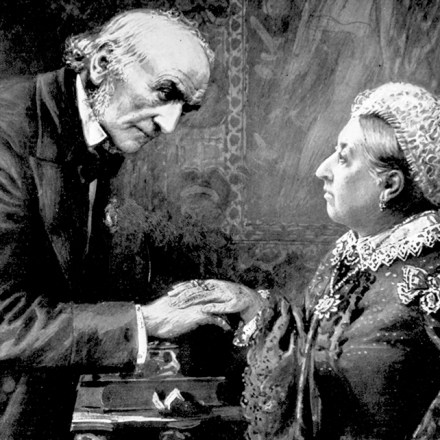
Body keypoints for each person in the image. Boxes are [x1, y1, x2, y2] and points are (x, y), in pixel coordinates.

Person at [0, 8, 233, 439]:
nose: (169, 124)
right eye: (165, 92)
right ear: (102, 63)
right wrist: (144, 322)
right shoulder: (7, 135)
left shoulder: (92, 132)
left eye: (185, 107)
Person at [171, 82, 440, 439]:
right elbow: (311, 364)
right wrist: (252, 307)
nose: (321, 170)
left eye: (343, 158)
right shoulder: (347, 258)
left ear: (390, 185)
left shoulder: (431, 276)